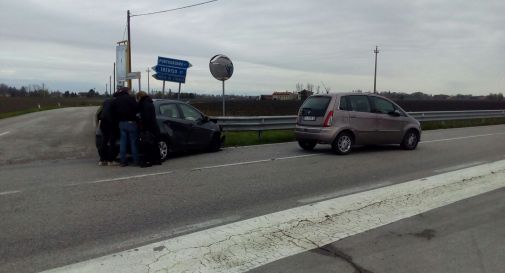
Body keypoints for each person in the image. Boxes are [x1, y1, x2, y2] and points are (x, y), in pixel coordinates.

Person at [112, 87, 139, 166]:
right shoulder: (131, 98)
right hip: (131, 123)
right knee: (133, 142)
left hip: (121, 123)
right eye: (130, 91)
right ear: (127, 91)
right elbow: (137, 109)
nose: (130, 92)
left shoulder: (117, 99)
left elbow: (114, 111)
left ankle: (123, 161)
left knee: (123, 143)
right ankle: (136, 161)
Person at [137, 91, 161, 167]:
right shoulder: (150, 102)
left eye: (137, 98)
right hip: (154, 127)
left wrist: (143, 128)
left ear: (140, 97)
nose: (137, 100)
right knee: (154, 144)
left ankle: (148, 161)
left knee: (147, 145)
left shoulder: (144, 104)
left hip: (148, 127)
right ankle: (157, 160)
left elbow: (146, 117)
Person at [97, 96, 118, 166]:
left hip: (103, 123)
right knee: (112, 142)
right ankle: (110, 160)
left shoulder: (105, 102)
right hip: (111, 123)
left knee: (104, 141)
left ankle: (102, 160)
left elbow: (98, 114)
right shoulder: (115, 103)